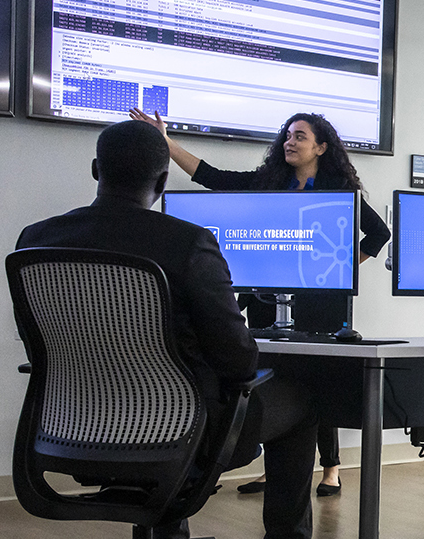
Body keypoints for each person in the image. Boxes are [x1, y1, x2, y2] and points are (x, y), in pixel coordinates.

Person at [15, 120, 320, 539]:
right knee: (303, 403)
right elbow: (238, 359)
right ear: (162, 180)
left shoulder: (36, 239)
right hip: (178, 429)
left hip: (73, 425)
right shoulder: (188, 242)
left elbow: (39, 349)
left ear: (95, 170)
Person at [129, 108, 391, 496]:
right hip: (266, 298)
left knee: (315, 383)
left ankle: (331, 467)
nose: (290, 141)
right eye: (287, 135)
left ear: (320, 147)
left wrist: (339, 266)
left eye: (300, 136)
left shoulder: (338, 190)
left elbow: (378, 234)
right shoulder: (269, 181)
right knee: (275, 379)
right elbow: (212, 178)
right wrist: (166, 143)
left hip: (319, 302)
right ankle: (279, 467)